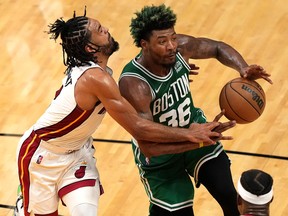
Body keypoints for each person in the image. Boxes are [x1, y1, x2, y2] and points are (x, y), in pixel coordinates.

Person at [13, 8, 234, 216]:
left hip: (78, 151)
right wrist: (191, 135)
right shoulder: (96, 79)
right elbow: (138, 127)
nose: (107, 29)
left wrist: (171, 72)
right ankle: (23, 205)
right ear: (91, 48)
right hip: (42, 153)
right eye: (100, 30)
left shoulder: (97, 72)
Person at [119, 4, 273, 216]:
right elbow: (148, 145)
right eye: (162, 42)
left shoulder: (181, 48)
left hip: (195, 132)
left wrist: (243, 68)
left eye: (172, 37)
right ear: (144, 45)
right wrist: (194, 137)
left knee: (229, 196)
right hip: (161, 159)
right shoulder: (135, 84)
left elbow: (217, 48)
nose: (172, 45)